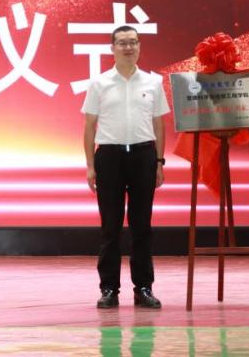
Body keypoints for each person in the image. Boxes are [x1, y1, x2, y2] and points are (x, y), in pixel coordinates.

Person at [83, 25, 169, 309]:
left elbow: (159, 124)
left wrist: (159, 161)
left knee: (142, 225)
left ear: (140, 46)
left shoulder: (153, 82)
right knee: (110, 226)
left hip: (144, 155)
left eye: (133, 42)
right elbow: (89, 126)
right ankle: (109, 289)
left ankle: (143, 287)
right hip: (109, 156)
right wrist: (90, 166)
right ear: (113, 48)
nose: (128, 47)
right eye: (122, 43)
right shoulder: (99, 83)